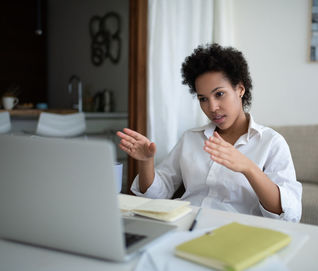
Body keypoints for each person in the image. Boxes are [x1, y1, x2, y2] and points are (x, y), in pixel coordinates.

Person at [117, 43, 302, 222]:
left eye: (219, 94)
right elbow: (159, 193)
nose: (212, 107)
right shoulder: (191, 138)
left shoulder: (271, 142)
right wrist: (146, 162)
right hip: (184, 224)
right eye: (203, 99)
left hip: (236, 233)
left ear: (240, 89)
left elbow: (289, 214)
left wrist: (248, 168)